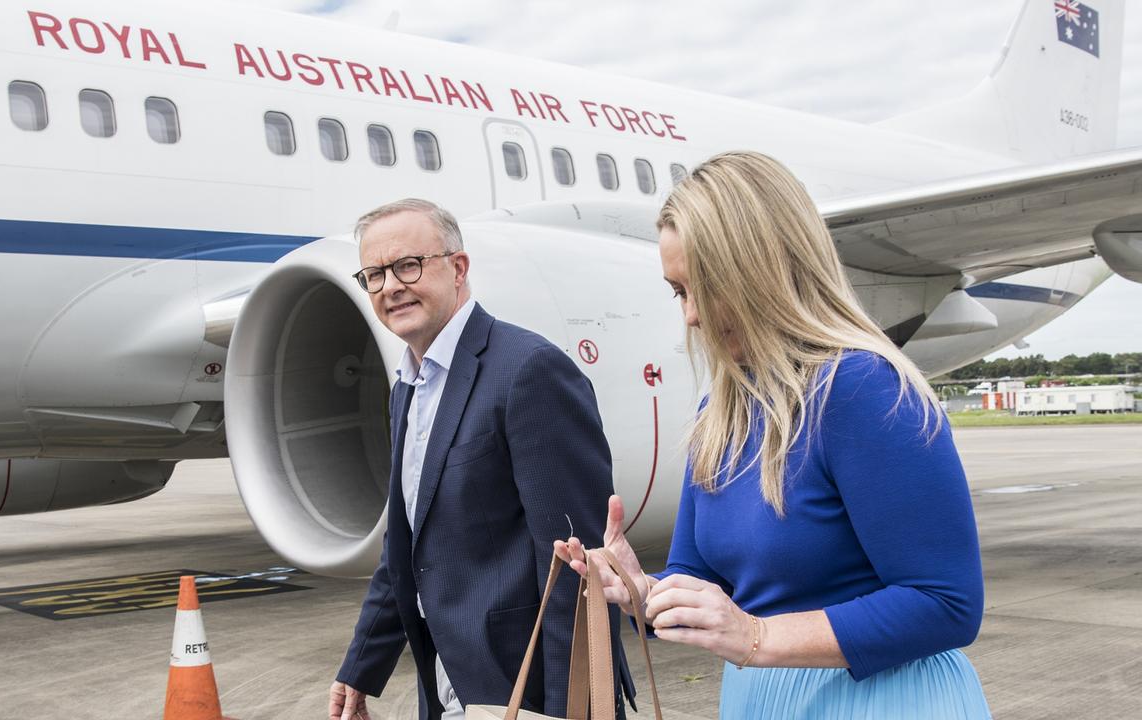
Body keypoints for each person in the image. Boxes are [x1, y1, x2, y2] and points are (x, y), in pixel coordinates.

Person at [557, 152, 991, 718]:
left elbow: (946, 603)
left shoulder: (859, 387)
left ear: (759, 272)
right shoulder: (723, 407)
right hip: (761, 696)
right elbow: (698, 575)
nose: (689, 316)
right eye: (677, 291)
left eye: (700, 288)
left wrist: (755, 638)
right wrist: (641, 592)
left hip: (881, 698)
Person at [329, 199, 632, 720]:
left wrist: (571, 709)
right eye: (374, 275)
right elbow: (405, 543)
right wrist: (362, 667)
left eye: (408, 265)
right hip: (449, 685)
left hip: (526, 688)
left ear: (459, 268)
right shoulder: (406, 387)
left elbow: (575, 568)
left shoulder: (528, 371)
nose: (391, 287)